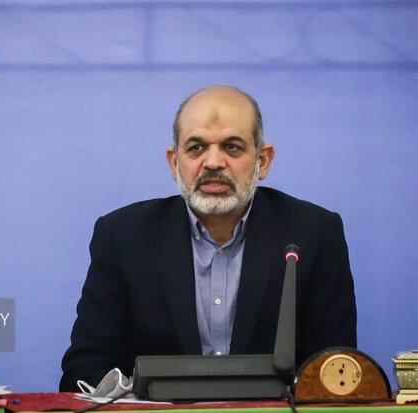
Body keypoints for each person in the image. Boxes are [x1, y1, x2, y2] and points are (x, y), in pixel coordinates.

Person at [59, 85, 357, 392]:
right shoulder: (123, 237)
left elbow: (337, 373)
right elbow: (84, 371)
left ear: (263, 160)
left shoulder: (313, 234)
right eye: (196, 148)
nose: (213, 162)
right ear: (174, 162)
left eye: (232, 147)